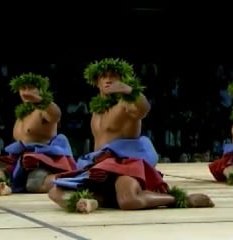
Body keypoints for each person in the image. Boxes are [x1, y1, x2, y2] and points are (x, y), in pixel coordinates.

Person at [48, 58, 214, 213]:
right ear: (96, 82)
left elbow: (144, 108)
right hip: (99, 165)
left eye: (113, 76)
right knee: (56, 191)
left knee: (128, 201)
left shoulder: (126, 103)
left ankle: (178, 199)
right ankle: (98, 200)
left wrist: (128, 90)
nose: (108, 79)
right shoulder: (97, 110)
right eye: (104, 76)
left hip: (125, 166)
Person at [0, 73, 76, 196]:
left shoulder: (44, 110)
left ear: (40, 90)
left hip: (43, 160)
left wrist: (40, 100)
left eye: (31, 88)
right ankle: (2, 185)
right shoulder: (21, 114)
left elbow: (56, 115)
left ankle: (73, 181)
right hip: (19, 160)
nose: (26, 92)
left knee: (33, 184)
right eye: (23, 88)